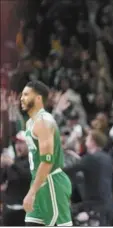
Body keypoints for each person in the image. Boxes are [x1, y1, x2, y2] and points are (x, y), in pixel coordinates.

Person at [20, 80, 72, 226]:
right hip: (39, 183)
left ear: (38, 98)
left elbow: (47, 161)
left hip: (51, 182)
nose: (21, 98)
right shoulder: (31, 122)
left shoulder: (43, 121)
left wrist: (31, 192)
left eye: (26, 94)